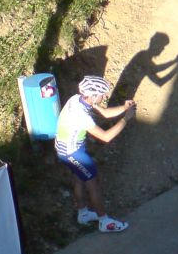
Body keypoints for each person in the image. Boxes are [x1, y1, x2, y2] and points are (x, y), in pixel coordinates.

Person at [55, 75, 136, 233]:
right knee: (93, 183)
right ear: (92, 95)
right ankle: (104, 221)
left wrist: (124, 108)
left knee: (80, 179)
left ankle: (83, 214)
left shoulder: (78, 99)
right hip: (73, 152)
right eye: (103, 94)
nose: (105, 96)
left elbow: (105, 113)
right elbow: (106, 137)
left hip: (66, 149)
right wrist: (126, 119)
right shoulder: (81, 115)